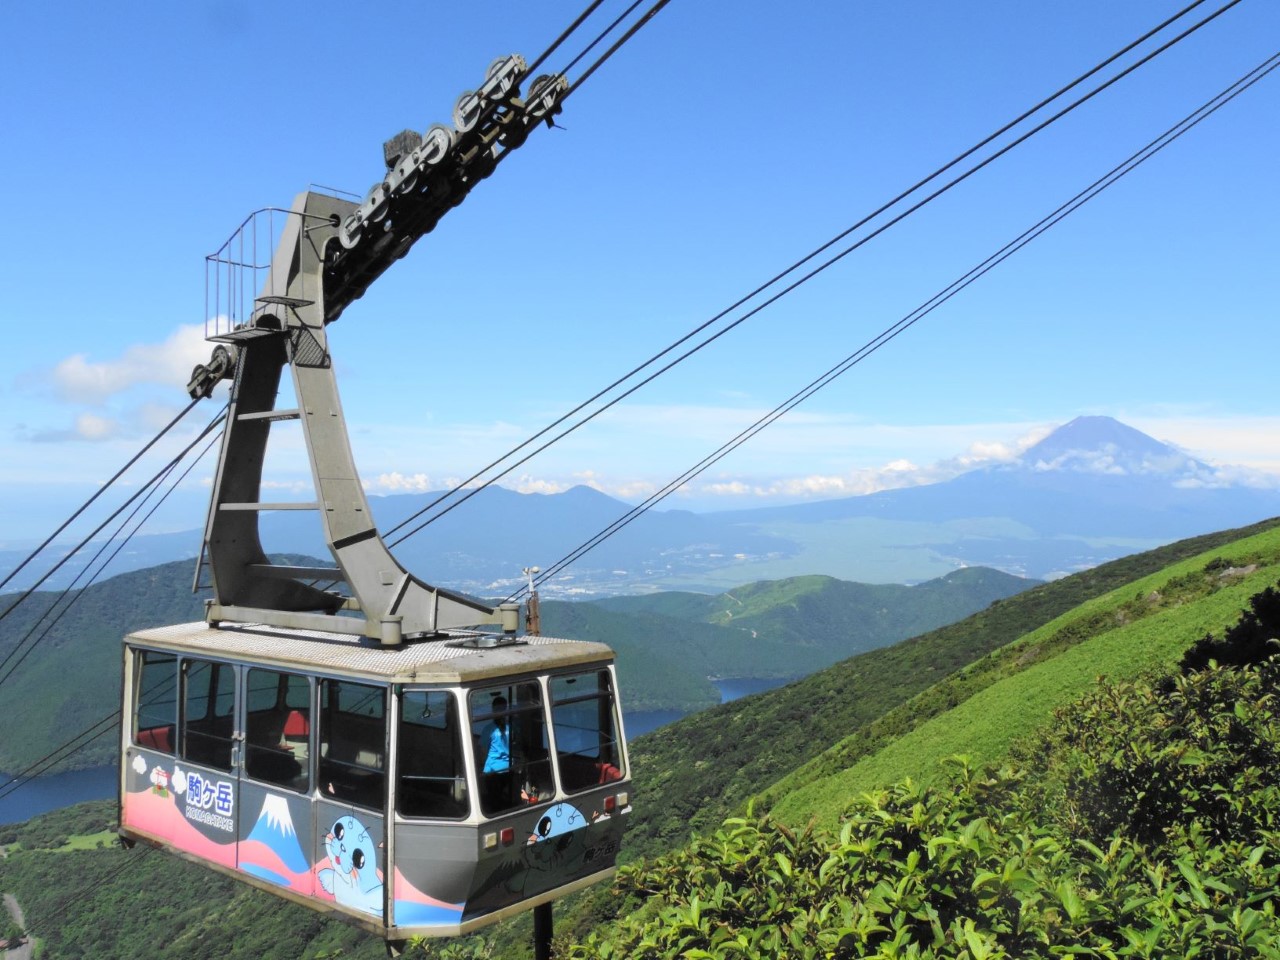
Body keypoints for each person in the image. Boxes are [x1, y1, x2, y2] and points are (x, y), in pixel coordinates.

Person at [480, 696, 512, 811]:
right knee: (501, 797)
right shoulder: (511, 728)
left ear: (493, 710)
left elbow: (483, 751)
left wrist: (483, 767)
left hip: (492, 769)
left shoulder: (489, 729)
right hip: (508, 768)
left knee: (493, 800)